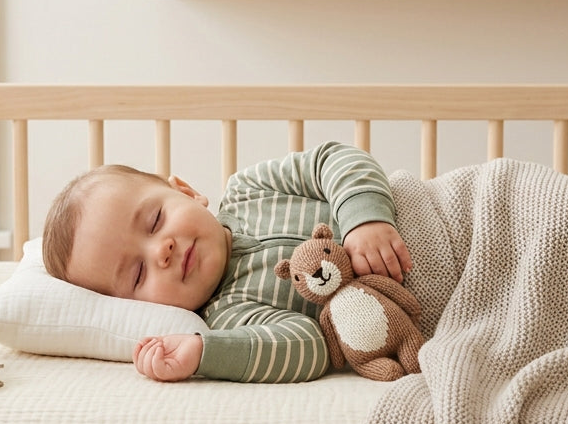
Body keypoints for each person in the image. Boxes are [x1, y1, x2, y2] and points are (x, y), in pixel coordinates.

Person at [41, 142, 412, 383]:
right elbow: (308, 346)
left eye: (155, 221)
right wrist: (207, 352)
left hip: (433, 213)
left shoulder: (249, 188)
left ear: (184, 191)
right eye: (139, 273)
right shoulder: (229, 315)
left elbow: (334, 159)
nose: (161, 251)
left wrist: (365, 218)